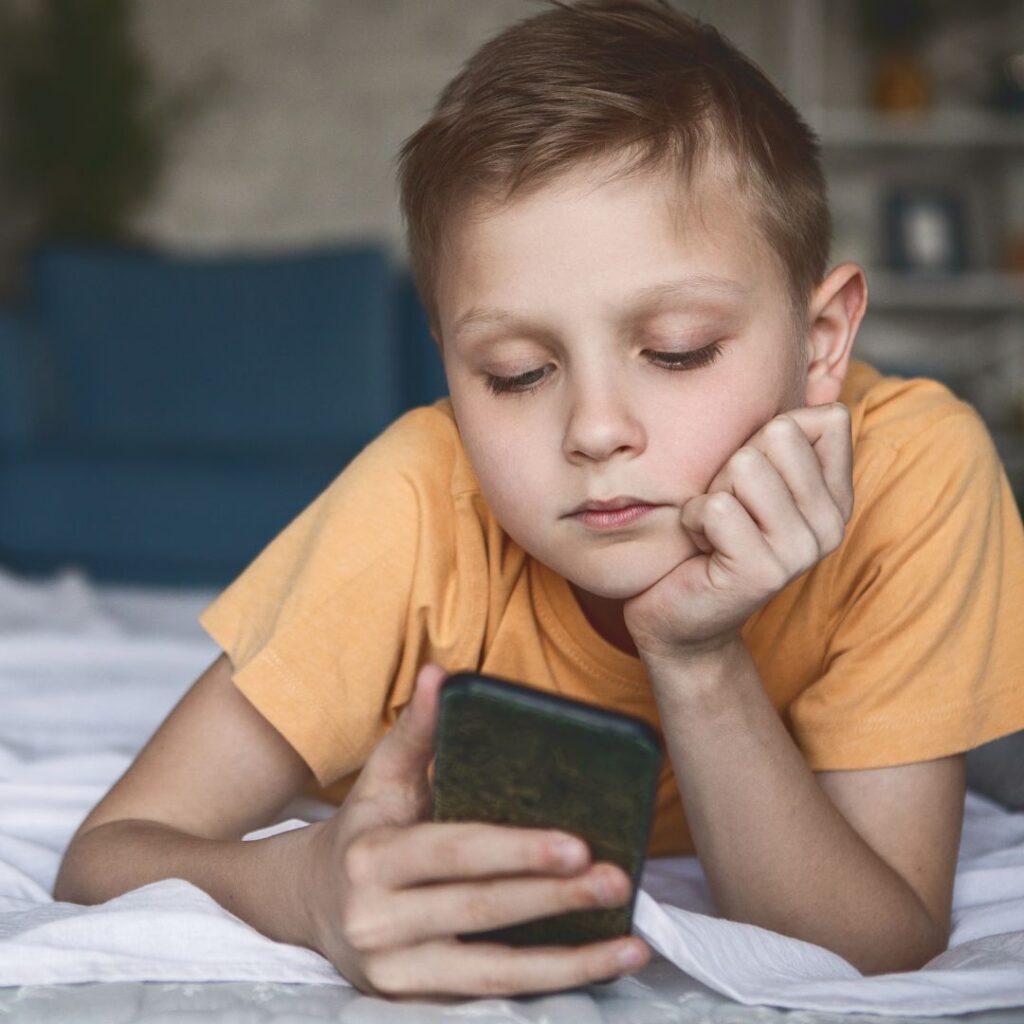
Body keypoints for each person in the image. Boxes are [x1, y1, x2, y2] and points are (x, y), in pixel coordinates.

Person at [53, 0, 1024, 1001]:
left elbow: (876, 947)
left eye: (677, 350)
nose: (594, 430)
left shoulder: (911, 469)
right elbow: (109, 854)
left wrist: (695, 657)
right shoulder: (416, 502)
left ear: (820, 344)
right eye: (516, 372)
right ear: (450, 368)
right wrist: (303, 885)